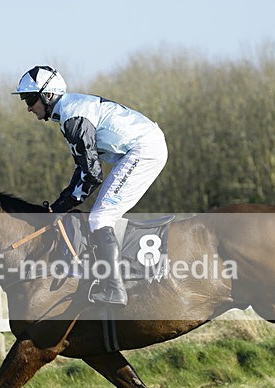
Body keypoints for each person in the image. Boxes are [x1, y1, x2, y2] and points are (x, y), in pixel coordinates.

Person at [12, 65, 168, 306]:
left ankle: (115, 289)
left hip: (144, 150)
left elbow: (92, 175)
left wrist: (61, 206)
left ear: (48, 95)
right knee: (101, 215)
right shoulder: (69, 112)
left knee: (101, 217)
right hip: (140, 147)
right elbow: (83, 169)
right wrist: (58, 205)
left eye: (31, 99)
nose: (28, 107)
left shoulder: (73, 118)